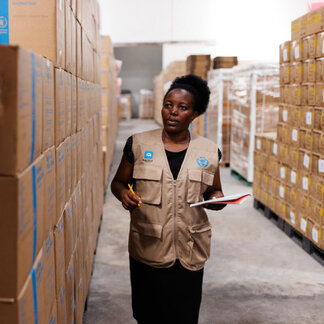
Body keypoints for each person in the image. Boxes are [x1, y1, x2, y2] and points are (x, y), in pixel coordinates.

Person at [111, 74, 226, 324]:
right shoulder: (139, 144)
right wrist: (124, 195)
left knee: (183, 316)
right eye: (168, 105)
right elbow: (118, 182)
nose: (172, 112)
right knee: (148, 315)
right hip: (148, 246)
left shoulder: (209, 151)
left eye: (182, 107)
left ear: (194, 114)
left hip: (189, 250)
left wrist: (217, 198)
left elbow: (213, 190)